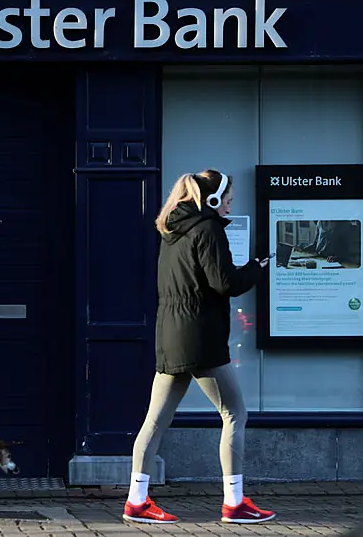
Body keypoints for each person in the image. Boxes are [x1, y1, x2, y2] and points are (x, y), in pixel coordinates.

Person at [122, 169, 276, 525]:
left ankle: (136, 500)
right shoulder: (207, 230)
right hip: (201, 337)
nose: (229, 206)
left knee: (154, 421)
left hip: (170, 336)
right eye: (227, 200)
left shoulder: (171, 231)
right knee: (234, 412)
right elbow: (225, 283)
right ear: (210, 200)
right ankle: (234, 503)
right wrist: (256, 267)